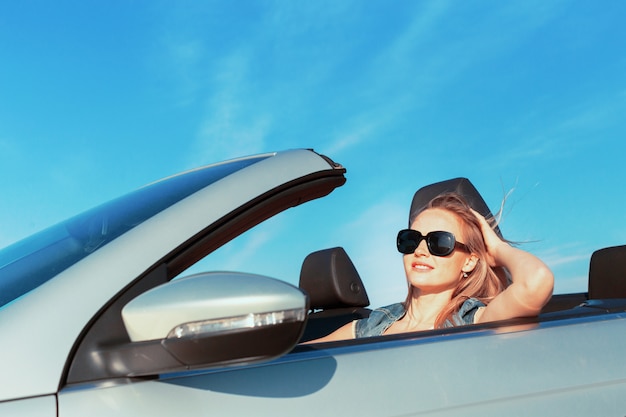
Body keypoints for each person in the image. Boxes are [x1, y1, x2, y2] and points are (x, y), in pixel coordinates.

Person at [313, 192, 554, 341]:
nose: (420, 250)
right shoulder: (371, 325)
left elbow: (536, 282)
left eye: (439, 242)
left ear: (469, 261)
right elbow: (295, 362)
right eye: (411, 239)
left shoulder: (475, 321)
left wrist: (498, 250)